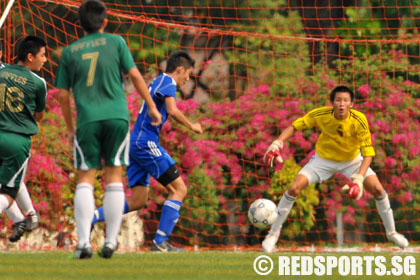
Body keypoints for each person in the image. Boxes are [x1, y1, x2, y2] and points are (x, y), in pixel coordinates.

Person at [55, 0, 161, 259]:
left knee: (85, 180)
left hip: (88, 120)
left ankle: (83, 244)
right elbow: (135, 76)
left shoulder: (70, 51)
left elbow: (61, 95)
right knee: (114, 177)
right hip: (117, 117)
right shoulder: (117, 42)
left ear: (80, 24)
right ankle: (111, 242)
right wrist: (151, 107)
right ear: (105, 21)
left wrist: (70, 128)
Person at [262, 85, 409, 253]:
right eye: (338, 100)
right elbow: (295, 126)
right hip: (323, 160)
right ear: (332, 102)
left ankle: (392, 233)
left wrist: (359, 179)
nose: (341, 104)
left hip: (351, 161)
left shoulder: (359, 120)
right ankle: (272, 235)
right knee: (294, 187)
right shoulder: (320, 114)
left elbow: (368, 153)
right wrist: (277, 143)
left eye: (346, 100)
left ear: (352, 104)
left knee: (377, 189)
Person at [91, 50, 202, 252]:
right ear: (180, 69)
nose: (188, 79)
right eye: (188, 74)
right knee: (179, 189)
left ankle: (93, 216)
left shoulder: (159, 81)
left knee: (137, 200)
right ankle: (160, 243)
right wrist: (191, 125)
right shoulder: (168, 82)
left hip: (136, 143)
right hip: (145, 142)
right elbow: (173, 110)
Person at [0, 35, 47, 241]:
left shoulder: (2, 72)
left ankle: (24, 217)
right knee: (8, 191)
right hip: (17, 142)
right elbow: (39, 115)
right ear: (30, 57)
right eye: (43, 55)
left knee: (11, 182)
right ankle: (28, 215)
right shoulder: (39, 82)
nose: (45, 60)